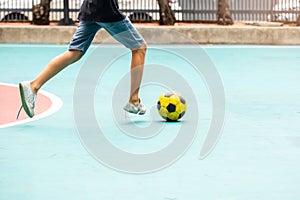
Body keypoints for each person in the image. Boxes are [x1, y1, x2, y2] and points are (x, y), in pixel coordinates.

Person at [17, 0, 147, 119]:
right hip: (107, 11)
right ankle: (134, 100)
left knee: (75, 52)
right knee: (139, 48)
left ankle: (33, 86)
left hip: (90, 9)